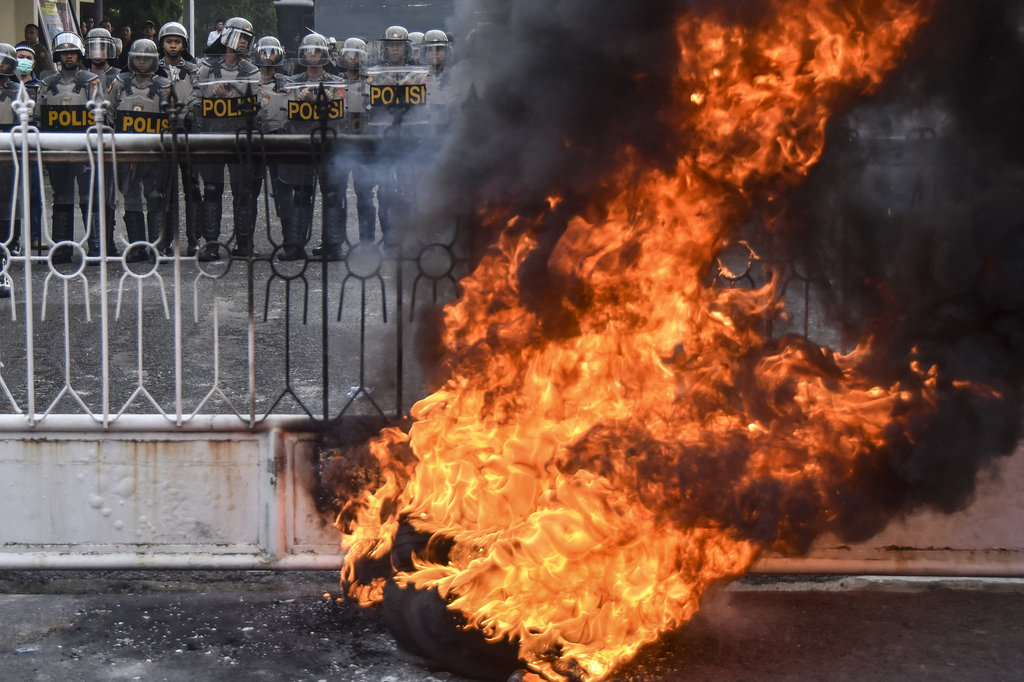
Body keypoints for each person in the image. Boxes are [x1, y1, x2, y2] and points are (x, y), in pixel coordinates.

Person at [188, 16, 260, 260]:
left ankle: (244, 243)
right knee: (211, 189)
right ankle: (211, 244)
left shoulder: (252, 71)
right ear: (228, 37)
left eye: (248, 40)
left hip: (240, 139)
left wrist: (233, 99)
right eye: (241, 37)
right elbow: (192, 101)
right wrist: (212, 96)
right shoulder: (208, 68)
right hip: (212, 136)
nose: (244, 43)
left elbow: (258, 105)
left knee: (243, 191)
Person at [36, 32, 104, 264]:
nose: (69, 57)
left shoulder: (91, 81)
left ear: (79, 55)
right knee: (62, 196)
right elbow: (38, 117)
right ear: (58, 55)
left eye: (72, 53)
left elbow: (100, 117)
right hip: (57, 149)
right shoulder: (47, 83)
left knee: (89, 196)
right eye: (64, 53)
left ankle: (95, 246)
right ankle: (62, 248)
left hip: (85, 149)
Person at [281, 33, 346, 260]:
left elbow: (343, 118)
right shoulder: (292, 83)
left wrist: (328, 103)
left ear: (324, 54)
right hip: (301, 143)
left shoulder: (336, 83)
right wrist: (301, 101)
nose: (312, 54)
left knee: (332, 194)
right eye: (308, 50)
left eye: (316, 50)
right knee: (300, 193)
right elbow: (286, 117)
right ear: (302, 54)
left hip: (329, 145)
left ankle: (333, 246)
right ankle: (296, 246)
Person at [106, 39, 172, 261]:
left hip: (155, 151)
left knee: (155, 196)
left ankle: (156, 246)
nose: (142, 61)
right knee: (131, 196)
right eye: (138, 57)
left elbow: (172, 117)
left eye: (147, 58)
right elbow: (108, 113)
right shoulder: (119, 83)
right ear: (131, 59)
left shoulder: (164, 85)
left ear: (154, 60)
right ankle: (136, 246)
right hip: (126, 151)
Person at [157, 21, 203, 255]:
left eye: (177, 42)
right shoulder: (155, 69)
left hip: (188, 128)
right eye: (169, 41)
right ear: (162, 43)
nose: (173, 46)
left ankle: (194, 238)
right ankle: (165, 240)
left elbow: (199, 96)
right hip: (164, 129)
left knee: (192, 185)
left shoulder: (195, 69)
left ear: (183, 44)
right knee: (165, 187)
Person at [253, 36, 296, 259]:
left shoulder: (287, 83)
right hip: (255, 140)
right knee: (248, 192)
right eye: (264, 51)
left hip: (279, 139)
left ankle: (290, 241)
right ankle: (244, 244)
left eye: (272, 51)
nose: (268, 56)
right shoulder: (249, 81)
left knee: (283, 191)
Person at [336, 37, 376, 244]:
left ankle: (367, 241)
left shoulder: (372, 83)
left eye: (358, 54)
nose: (353, 58)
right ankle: (334, 242)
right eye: (350, 54)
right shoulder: (335, 82)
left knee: (365, 194)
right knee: (336, 196)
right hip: (341, 142)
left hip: (363, 143)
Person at [13, 43, 44, 251]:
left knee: (34, 194)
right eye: (19, 56)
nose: (24, 60)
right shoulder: (5, 84)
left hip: (32, 147)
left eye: (28, 57)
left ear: (33, 62)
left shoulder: (42, 86)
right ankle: (11, 240)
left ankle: (35, 238)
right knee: (10, 196)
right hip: (8, 147)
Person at [1, 43, 21, 296]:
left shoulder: (18, 91)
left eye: (5, 62)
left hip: (8, 158)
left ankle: (1, 266)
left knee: (6, 206)